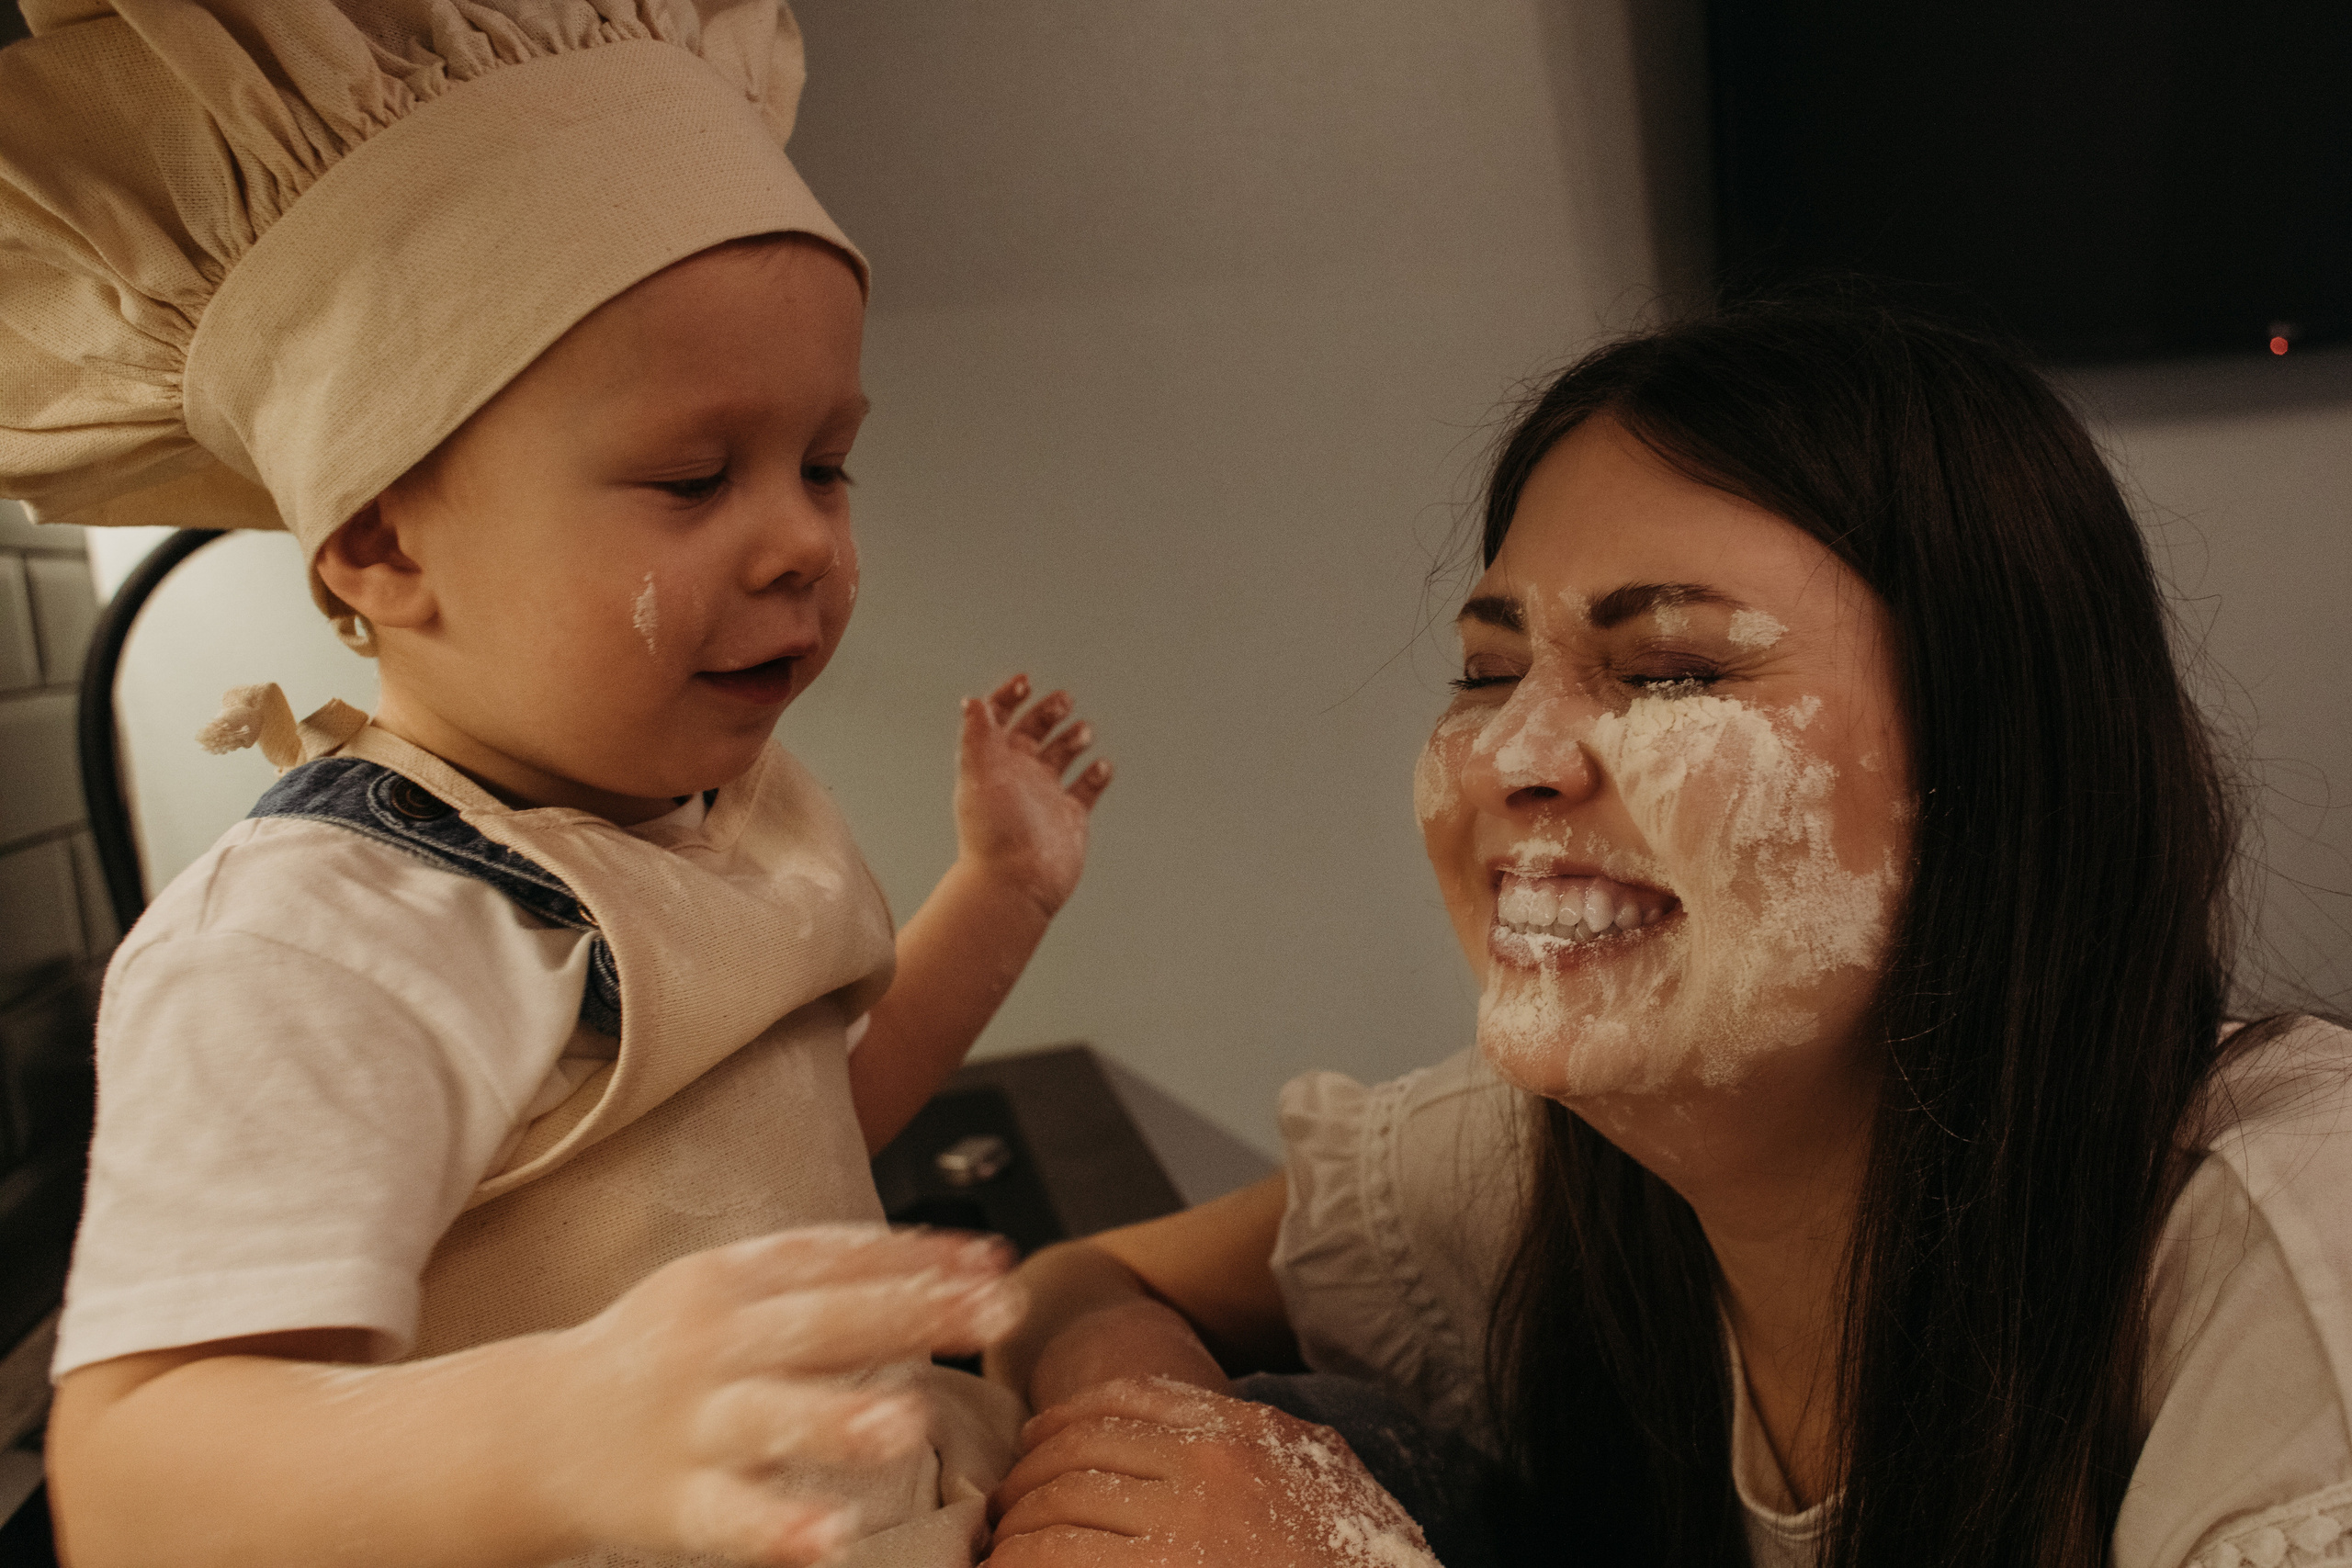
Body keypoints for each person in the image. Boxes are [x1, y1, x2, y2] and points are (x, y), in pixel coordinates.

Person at [982, 296, 2352, 1568]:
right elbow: (1077, 1283)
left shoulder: (2293, 1254)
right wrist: (1176, 1462)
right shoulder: (1546, 1173)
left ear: (1994, 758)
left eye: (1672, 671)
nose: (1509, 756)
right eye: (1488, 671)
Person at [0, 5, 1109, 1565]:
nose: (803, 540)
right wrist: (562, 1425)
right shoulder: (326, 945)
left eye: (825, 464)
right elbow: (134, 1483)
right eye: (695, 477)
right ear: (384, 544)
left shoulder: (729, 820)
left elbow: (804, 1128)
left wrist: (1001, 895)